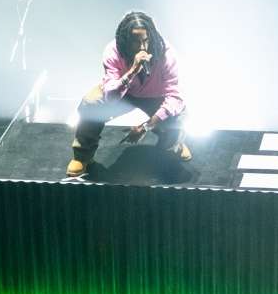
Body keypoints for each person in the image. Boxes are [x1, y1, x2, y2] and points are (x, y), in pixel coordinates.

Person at [66, 10, 190, 176]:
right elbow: (110, 97)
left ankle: (173, 145)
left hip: (156, 96)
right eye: (136, 42)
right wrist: (132, 71)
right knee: (91, 103)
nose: (142, 47)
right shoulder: (113, 51)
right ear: (125, 40)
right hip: (123, 94)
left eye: (145, 40)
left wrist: (146, 126)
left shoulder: (166, 53)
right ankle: (83, 156)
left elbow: (175, 97)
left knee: (179, 115)